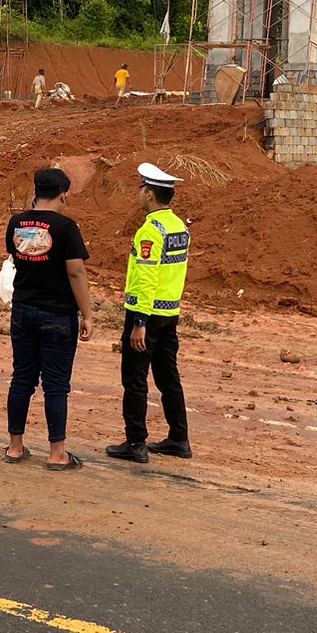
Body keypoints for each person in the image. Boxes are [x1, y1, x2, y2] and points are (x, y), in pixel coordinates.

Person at [4, 166, 92, 470]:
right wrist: (88, 313)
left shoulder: (16, 224)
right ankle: (57, 454)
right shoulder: (67, 228)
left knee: (22, 378)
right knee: (56, 385)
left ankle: (15, 447)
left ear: (36, 190)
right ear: (64, 194)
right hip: (57, 315)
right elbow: (75, 271)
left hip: (23, 310)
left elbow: (15, 260)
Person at [107, 163, 192, 464]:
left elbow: (146, 277)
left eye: (143, 189)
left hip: (146, 313)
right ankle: (179, 438)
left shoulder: (151, 232)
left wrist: (139, 322)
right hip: (170, 313)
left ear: (151, 194)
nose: (140, 193)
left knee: (135, 378)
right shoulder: (179, 227)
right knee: (168, 377)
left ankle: (135, 442)